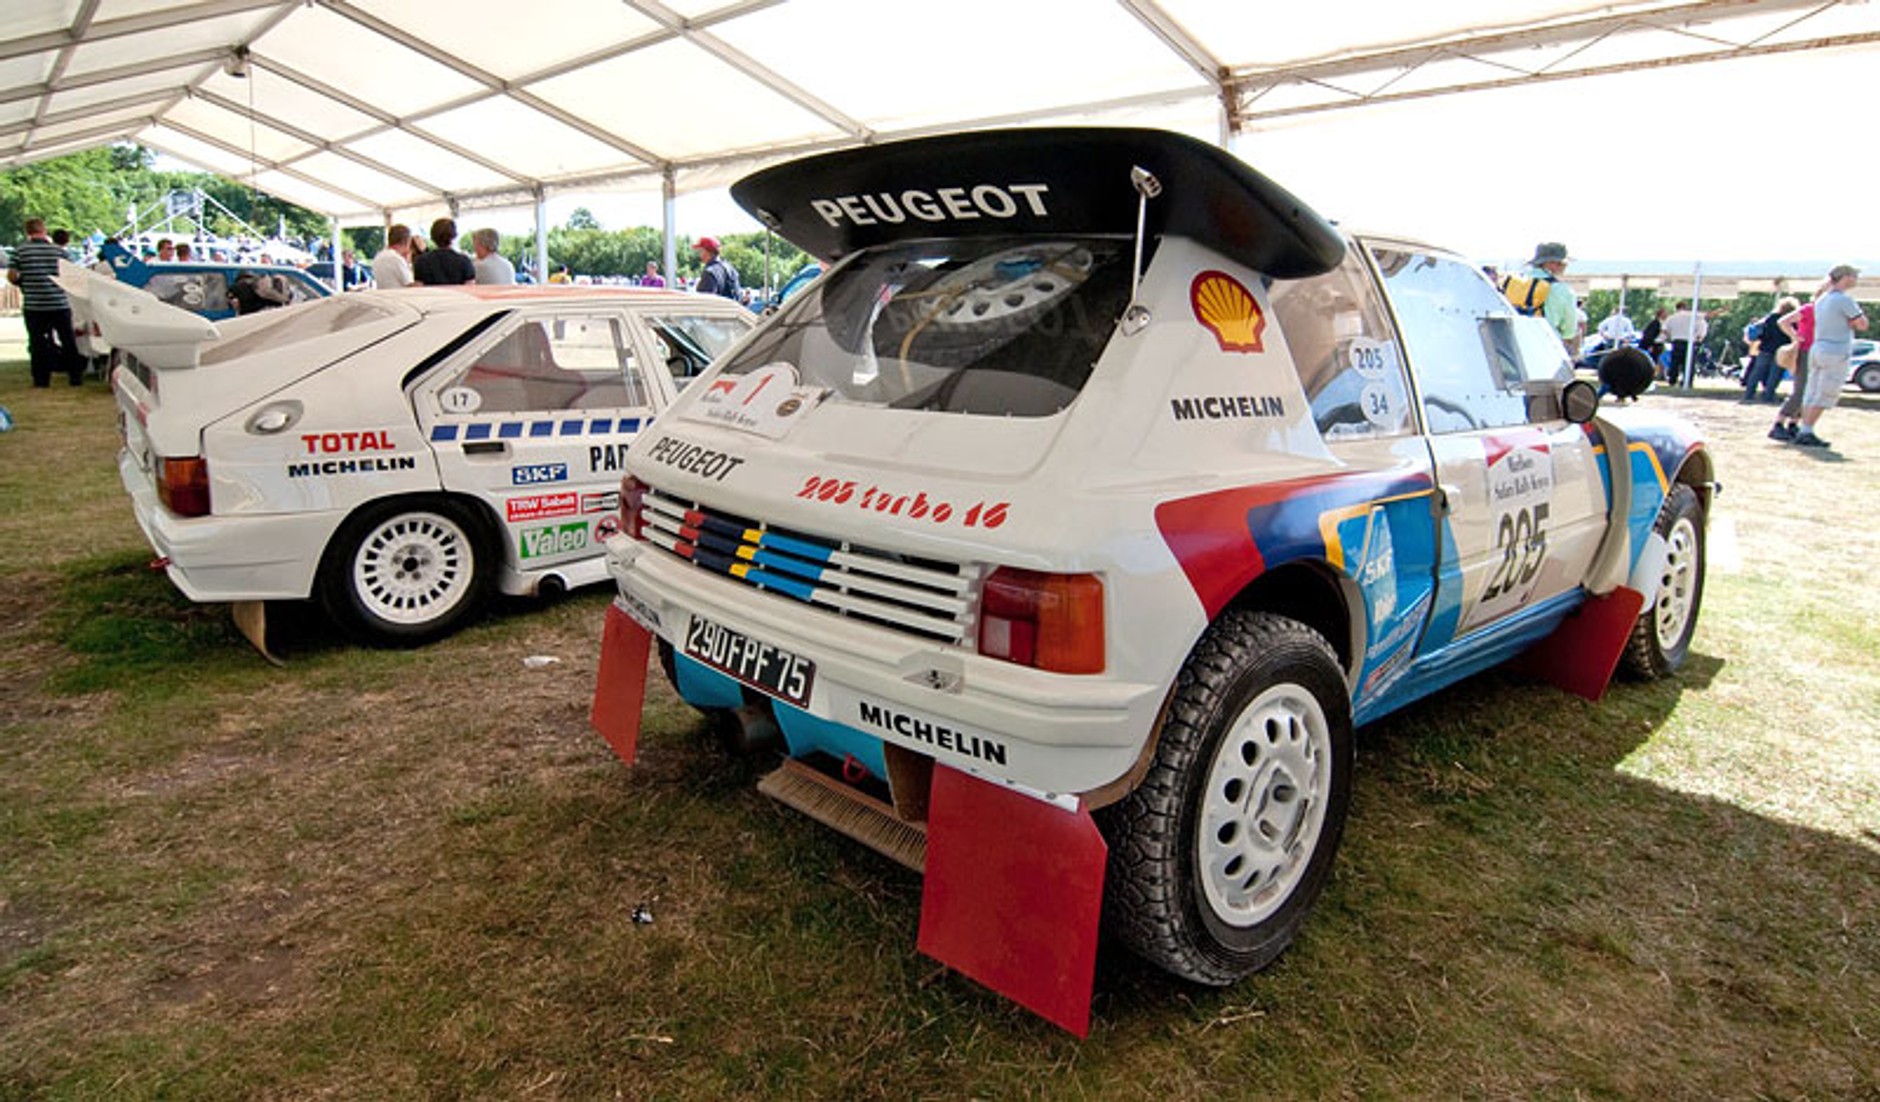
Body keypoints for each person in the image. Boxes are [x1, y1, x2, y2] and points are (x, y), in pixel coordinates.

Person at [1787, 265, 1868, 449]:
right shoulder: (1844, 300)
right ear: (1846, 277)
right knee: (1827, 391)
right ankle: (1807, 430)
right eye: (1854, 276)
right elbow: (1862, 324)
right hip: (1836, 349)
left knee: (1812, 390)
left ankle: (1803, 428)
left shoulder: (1822, 299)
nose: (1856, 280)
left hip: (1818, 347)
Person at [7, 217, 85, 387]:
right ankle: (75, 376)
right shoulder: (59, 252)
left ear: (27, 232)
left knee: (37, 343)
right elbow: (71, 276)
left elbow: (12, 275)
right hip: (59, 303)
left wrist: (22, 283)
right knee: (68, 340)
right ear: (45, 231)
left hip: (35, 304)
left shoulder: (20, 251)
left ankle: (41, 379)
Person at [1770, 282, 1825, 442]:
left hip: (1816, 352)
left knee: (1810, 391)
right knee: (1801, 390)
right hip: (1805, 351)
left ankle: (1794, 423)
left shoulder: (1825, 313)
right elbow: (1783, 321)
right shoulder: (1809, 309)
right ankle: (1778, 423)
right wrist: (1795, 336)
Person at [1507, 242, 1579, 356]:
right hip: (1547, 346)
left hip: (1514, 344)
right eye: (1563, 263)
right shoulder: (1561, 289)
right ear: (1552, 264)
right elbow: (1570, 327)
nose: (1565, 267)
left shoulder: (1515, 283)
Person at [1739, 297, 1798, 404]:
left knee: (1757, 372)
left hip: (1766, 348)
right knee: (1775, 374)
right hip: (1782, 350)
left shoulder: (1771, 318)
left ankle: (1749, 394)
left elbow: (1762, 332)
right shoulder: (1792, 321)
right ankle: (1768, 396)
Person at [412, 217, 475, 286]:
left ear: (432, 237)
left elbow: (419, 287)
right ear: (454, 236)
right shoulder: (464, 261)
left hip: (431, 296)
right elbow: (470, 287)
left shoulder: (421, 261)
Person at [1662, 301, 1707, 384]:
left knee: (1674, 362)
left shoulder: (1671, 318)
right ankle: (1687, 381)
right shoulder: (1692, 317)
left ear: (1676, 308)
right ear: (1685, 307)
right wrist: (1699, 338)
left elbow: (1664, 330)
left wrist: (1671, 336)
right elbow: (1701, 328)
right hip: (1689, 342)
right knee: (1689, 363)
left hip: (1676, 341)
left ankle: (1672, 380)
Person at [693, 236, 741, 301]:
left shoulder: (710, 273)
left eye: (701, 251)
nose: (699, 254)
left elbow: (704, 302)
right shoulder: (731, 269)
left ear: (707, 252)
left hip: (718, 310)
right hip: (734, 309)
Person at [371, 224, 414, 288]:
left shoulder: (378, 257)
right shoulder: (397, 259)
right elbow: (409, 284)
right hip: (399, 296)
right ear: (406, 241)